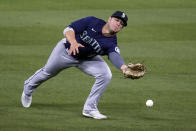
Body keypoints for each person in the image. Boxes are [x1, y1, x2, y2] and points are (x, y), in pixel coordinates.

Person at [21, 11, 128, 120]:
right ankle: (28, 88)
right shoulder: (92, 21)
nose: (118, 24)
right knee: (47, 72)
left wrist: (124, 68)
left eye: (122, 24)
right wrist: (73, 42)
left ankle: (89, 109)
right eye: (117, 20)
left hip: (87, 59)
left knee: (105, 75)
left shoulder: (111, 42)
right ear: (109, 19)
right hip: (65, 52)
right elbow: (68, 29)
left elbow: (114, 55)